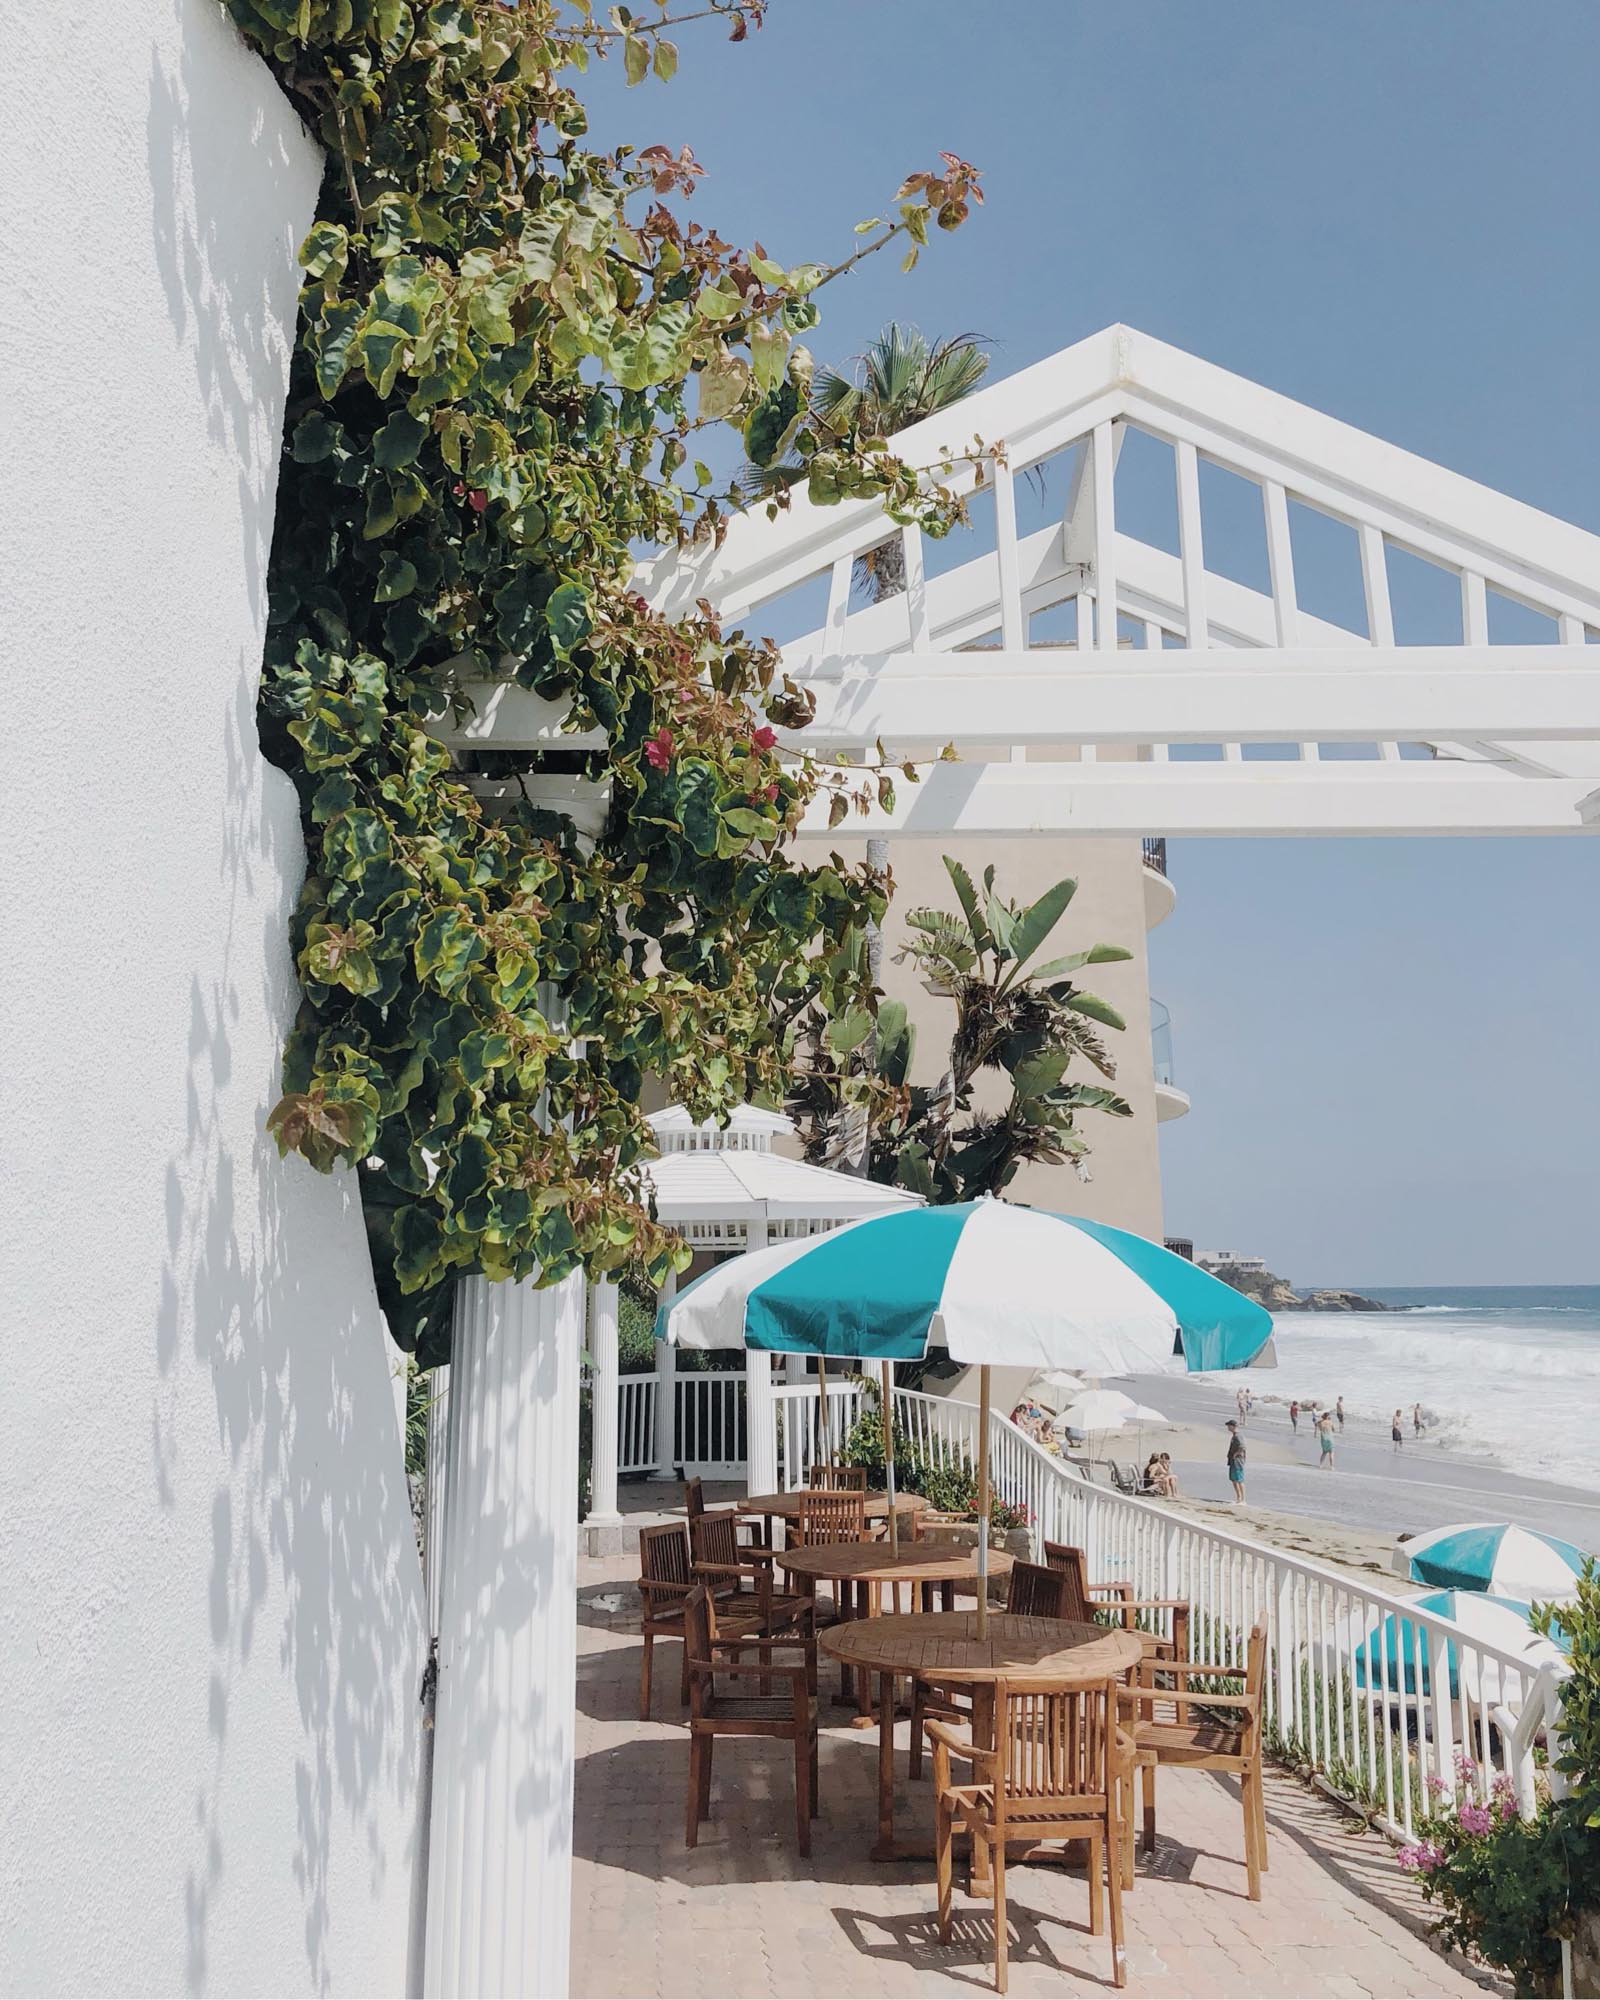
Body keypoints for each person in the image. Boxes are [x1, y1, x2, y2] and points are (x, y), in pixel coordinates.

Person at [1225, 1420, 1247, 1504]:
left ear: (1233, 1426)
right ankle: (1239, 1498)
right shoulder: (1235, 1436)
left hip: (1238, 1461)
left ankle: (1243, 1499)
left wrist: (1236, 1454)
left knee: (1239, 1479)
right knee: (1234, 1479)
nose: (1228, 1427)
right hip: (1233, 1460)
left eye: (1229, 1426)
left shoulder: (1238, 1436)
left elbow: (1243, 1447)